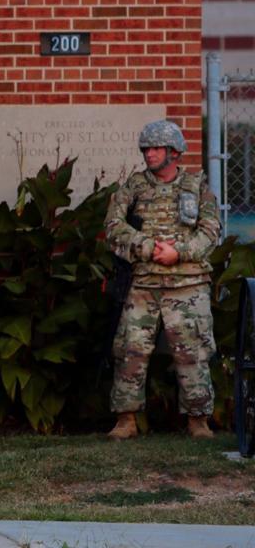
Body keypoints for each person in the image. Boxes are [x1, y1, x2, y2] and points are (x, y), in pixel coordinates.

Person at [104, 119, 220, 440]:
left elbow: (211, 232)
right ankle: (126, 419)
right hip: (144, 283)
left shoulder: (197, 187)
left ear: (174, 152)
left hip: (188, 285)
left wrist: (178, 253)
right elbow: (113, 227)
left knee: (192, 351)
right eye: (146, 148)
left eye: (156, 148)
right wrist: (145, 246)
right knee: (131, 349)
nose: (149, 154)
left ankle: (198, 420)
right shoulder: (134, 187)